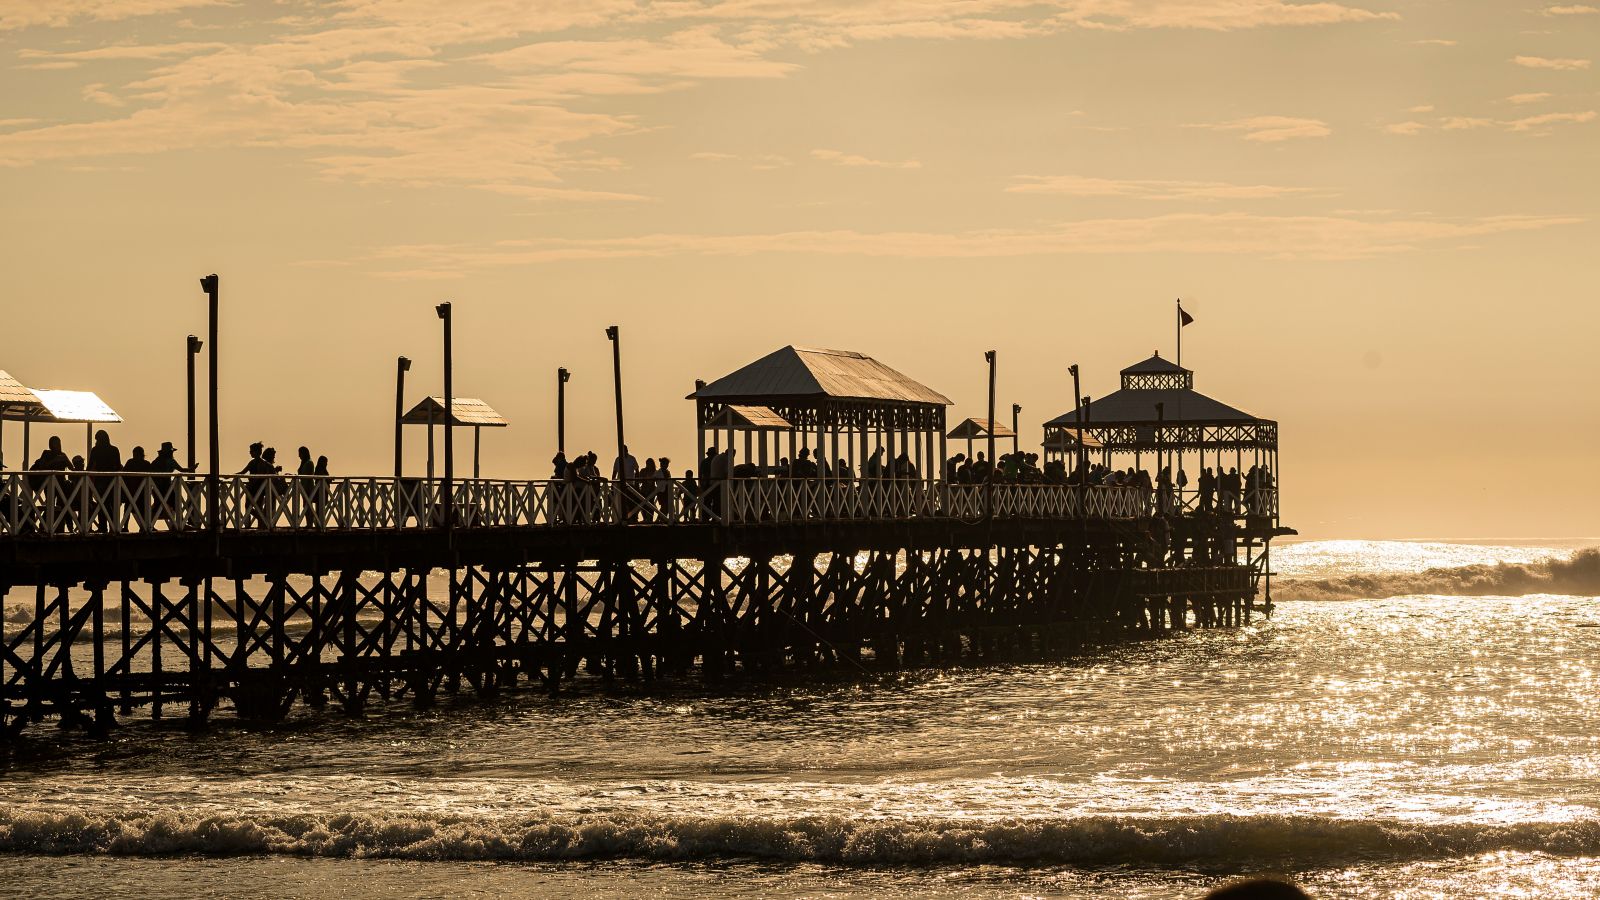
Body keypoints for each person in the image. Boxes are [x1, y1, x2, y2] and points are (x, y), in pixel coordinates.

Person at [86, 429, 123, 532]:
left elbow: (90, 466)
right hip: (112, 480)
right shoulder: (114, 449)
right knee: (109, 503)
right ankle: (113, 526)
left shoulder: (96, 450)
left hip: (101, 480)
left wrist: (85, 475)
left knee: (102, 503)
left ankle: (103, 527)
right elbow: (118, 466)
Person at [149, 442, 184, 528]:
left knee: (158, 506)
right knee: (175, 504)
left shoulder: (156, 461)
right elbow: (182, 469)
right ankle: (181, 523)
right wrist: (191, 469)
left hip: (157, 487)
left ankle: (148, 524)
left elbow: (150, 472)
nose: (172, 453)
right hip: (166, 487)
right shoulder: (170, 461)